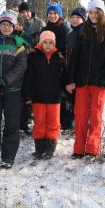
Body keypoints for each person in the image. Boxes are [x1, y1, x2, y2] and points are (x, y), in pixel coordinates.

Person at [66, 0, 105, 160]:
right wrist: (70, 79)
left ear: (102, 13)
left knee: (96, 116)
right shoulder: (82, 31)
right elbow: (75, 57)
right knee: (80, 115)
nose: (93, 15)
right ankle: (79, 148)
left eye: (96, 12)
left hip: (99, 81)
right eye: (90, 12)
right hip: (82, 81)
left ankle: (92, 148)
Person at [0, 10, 27, 169]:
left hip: (12, 90)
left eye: (9, 25)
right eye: (3, 24)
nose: (6, 27)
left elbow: (20, 67)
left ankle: (8, 156)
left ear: (14, 26)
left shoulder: (19, 43)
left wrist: (5, 81)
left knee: (11, 124)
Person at [23, 31, 66, 160]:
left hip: (54, 97)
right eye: (45, 42)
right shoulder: (33, 57)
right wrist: (28, 95)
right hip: (38, 97)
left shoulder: (59, 58)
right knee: (40, 121)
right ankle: (39, 146)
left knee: (53, 122)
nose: (47, 45)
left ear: (54, 44)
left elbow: (64, 76)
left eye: (50, 43)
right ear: (40, 43)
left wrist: (67, 89)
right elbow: (28, 77)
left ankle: (50, 146)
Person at [63, 6, 87, 131]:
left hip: (81, 71)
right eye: (72, 17)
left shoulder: (84, 32)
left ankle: (80, 123)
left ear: (83, 19)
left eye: (78, 17)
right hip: (70, 68)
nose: (74, 20)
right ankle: (73, 122)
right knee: (72, 98)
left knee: (80, 100)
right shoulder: (70, 34)